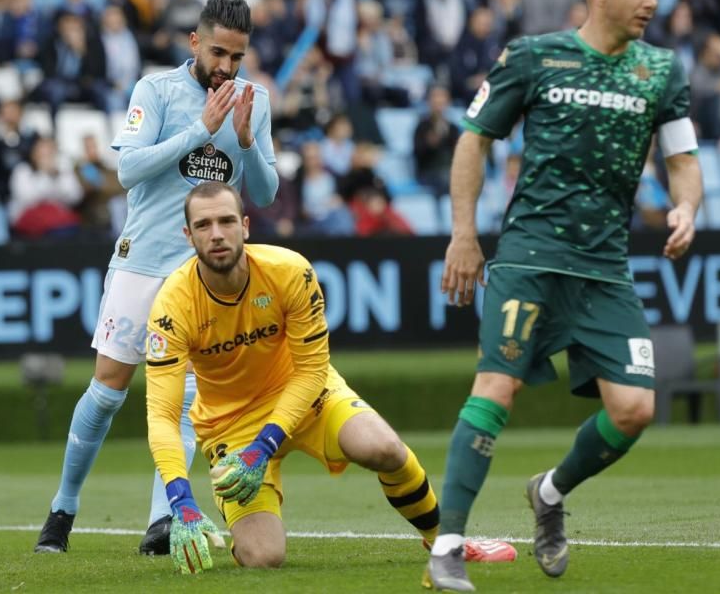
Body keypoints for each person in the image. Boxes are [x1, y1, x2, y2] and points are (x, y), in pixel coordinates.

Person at [426, 0, 703, 591]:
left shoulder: (661, 70)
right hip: (529, 254)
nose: (652, 3)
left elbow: (683, 158)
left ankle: (549, 492)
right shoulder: (534, 57)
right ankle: (446, 547)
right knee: (497, 387)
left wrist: (687, 206)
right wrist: (463, 233)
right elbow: (474, 139)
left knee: (635, 409)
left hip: (605, 266)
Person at [145, 182, 514, 574]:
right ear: (188, 235)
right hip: (230, 424)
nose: (216, 233)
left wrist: (264, 446)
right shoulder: (171, 306)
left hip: (305, 396)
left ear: (246, 226)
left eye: (226, 221)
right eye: (203, 225)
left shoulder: (290, 272)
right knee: (264, 557)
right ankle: (242, 537)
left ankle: (445, 540)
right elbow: (164, 415)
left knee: (384, 448)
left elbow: (310, 370)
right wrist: (180, 499)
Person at [33, 0, 280, 556]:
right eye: (219, 52)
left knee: (189, 396)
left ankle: (160, 523)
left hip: (206, 272)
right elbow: (127, 169)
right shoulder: (156, 90)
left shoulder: (254, 101)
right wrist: (199, 130)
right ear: (194, 41)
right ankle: (63, 508)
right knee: (107, 391)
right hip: (143, 260)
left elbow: (264, 192)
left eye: (237, 57)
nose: (226, 67)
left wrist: (245, 142)